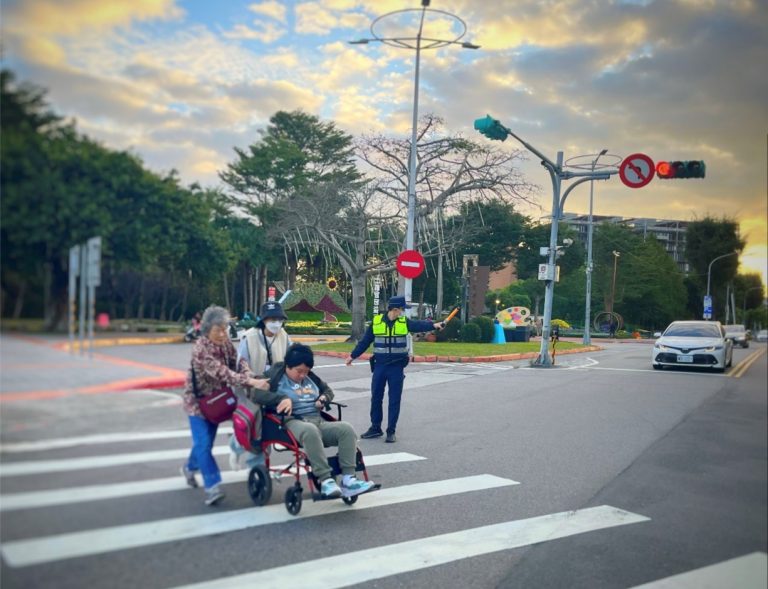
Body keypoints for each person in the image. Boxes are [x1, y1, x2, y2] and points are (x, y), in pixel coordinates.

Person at [248, 343, 375, 498]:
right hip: (291, 422)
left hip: (317, 420)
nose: (303, 375)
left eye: (306, 371)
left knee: (346, 429)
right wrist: (281, 398)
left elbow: (328, 391)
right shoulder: (275, 377)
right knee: (310, 430)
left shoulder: (311, 378)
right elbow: (255, 394)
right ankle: (326, 480)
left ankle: (349, 480)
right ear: (288, 366)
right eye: (299, 371)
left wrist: (324, 398)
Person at [181, 305, 264, 506]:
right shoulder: (200, 349)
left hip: (218, 401)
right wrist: (249, 381)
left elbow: (237, 361)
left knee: (203, 443)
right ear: (207, 329)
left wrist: (247, 372)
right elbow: (221, 372)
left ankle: (189, 467)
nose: (222, 333)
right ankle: (212, 487)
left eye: (224, 328)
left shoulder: (225, 342)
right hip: (198, 404)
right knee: (204, 444)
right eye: (218, 329)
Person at [345, 296, 445, 443]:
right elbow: (365, 341)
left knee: (394, 399)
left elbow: (420, 325)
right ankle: (375, 428)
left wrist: (434, 325)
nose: (403, 312)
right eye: (402, 309)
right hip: (380, 366)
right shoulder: (377, 322)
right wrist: (352, 356)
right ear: (395, 309)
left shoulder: (404, 322)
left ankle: (391, 431)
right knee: (376, 398)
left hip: (396, 367)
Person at [228, 301, 292, 470]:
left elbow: (292, 358)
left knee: (268, 426)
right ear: (263, 320)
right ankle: (242, 451)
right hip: (252, 389)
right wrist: (255, 380)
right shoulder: (249, 337)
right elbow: (240, 366)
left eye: (279, 319)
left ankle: (258, 467)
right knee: (256, 425)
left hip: (275, 387)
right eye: (272, 319)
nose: (276, 323)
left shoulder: (284, 336)